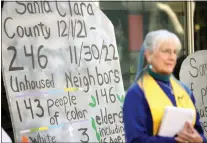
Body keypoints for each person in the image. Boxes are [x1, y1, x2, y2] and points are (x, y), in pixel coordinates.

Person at [123, 30, 206, 143]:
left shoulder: (185, 90)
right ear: (148, 55)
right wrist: (175, 141)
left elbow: (198, 131)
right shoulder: (137, 94)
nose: (172, 57)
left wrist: (200, 140)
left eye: (174, 52)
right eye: (166, 51)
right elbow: (135, 140)